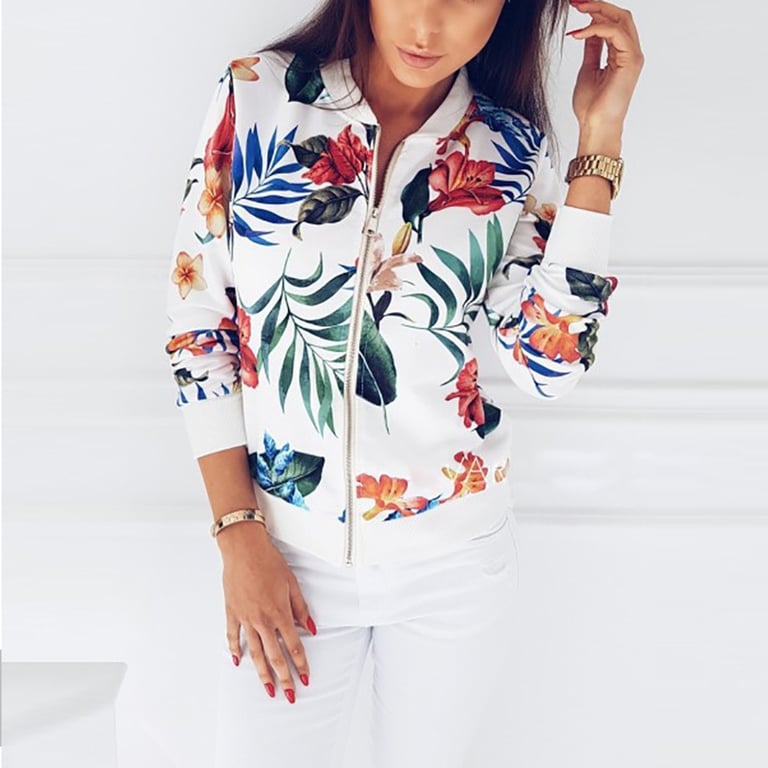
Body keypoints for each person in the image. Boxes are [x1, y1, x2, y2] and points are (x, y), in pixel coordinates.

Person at [164, 0, 643, 765]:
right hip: (285, 554)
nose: (427, 26)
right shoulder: (257, 97)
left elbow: (550, 366)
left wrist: (600, 141)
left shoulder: (509, 150)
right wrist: (238, 533)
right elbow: (199, 324)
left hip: (453, 566)